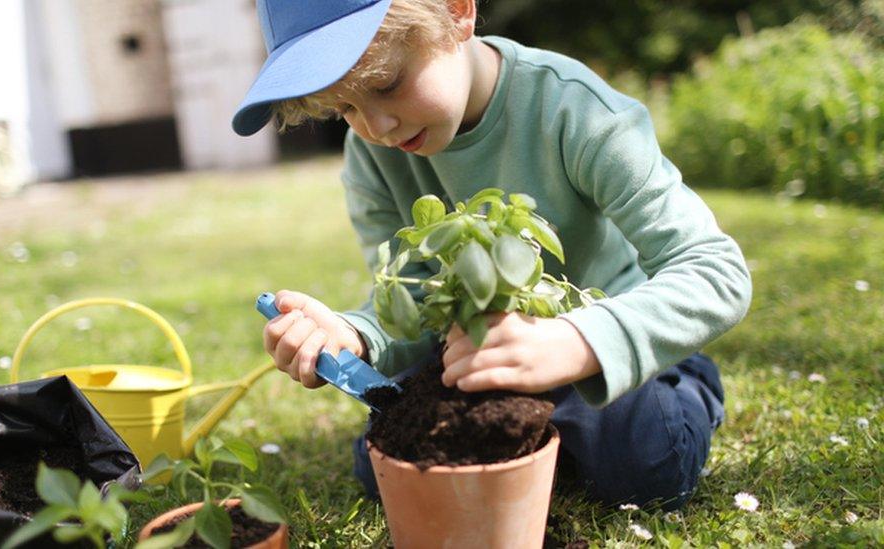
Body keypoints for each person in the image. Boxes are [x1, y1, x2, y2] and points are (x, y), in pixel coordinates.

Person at [235, 0, 752, 510]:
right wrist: (355, 336)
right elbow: (412, 300)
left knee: (643, 463)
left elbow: (716, 270)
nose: (376, 128)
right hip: (480, 353)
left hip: (599, 349)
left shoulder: (574, 110)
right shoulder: (371, 154)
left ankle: (688, 392)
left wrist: (574, 341)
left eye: (386, 84)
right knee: (381, 463)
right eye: (344, 107)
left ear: (457, 12)